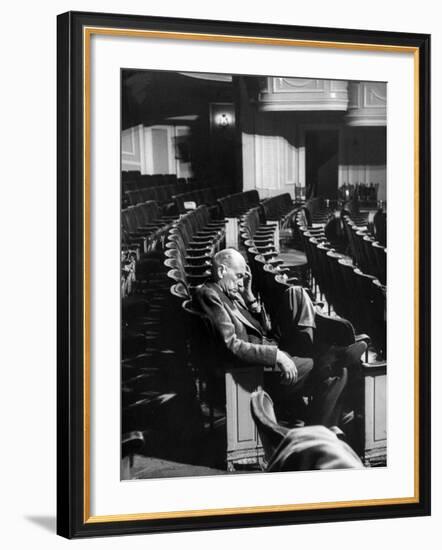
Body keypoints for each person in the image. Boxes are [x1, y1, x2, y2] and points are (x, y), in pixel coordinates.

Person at [195, 248, 366, 427]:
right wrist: (277, 355)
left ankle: (323, 355)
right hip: (254, 371)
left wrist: (249, 296)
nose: (240, 282)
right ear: (222, 271)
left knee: (296, 293)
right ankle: (321, 421)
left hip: (267, 346)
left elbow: (260, 329)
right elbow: (231, 346)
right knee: (334, 370)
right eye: (238, 276)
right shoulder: (208, 295)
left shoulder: (229, 292)